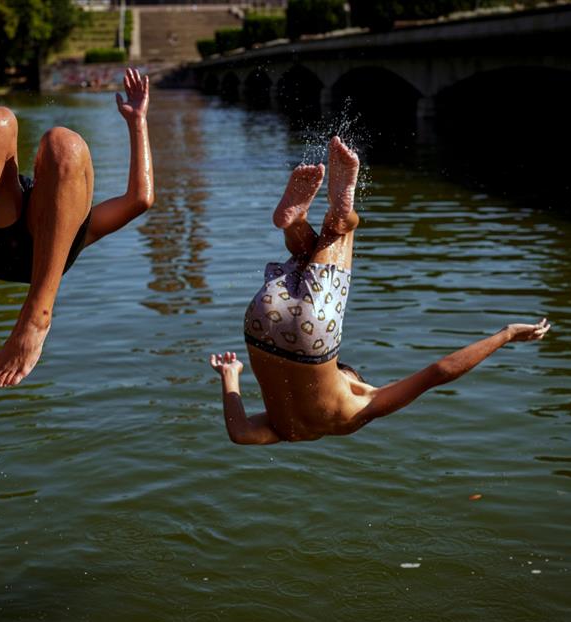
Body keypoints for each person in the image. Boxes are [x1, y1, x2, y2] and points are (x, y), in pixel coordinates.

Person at [209, 136, 551, 444]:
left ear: (354, 380)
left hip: (312, 336)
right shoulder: (288, 430)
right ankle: (296, 224)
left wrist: (505, 335)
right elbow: (240, 433)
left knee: (338, 233)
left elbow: (438, 373)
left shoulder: (358, 405)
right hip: (261, 323)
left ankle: (341, 219)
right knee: (305, 257)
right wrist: (230, 377)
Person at [0, 68, 154, 387]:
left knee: (64, 143)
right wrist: (137, 122)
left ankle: (37, 316)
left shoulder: (70, 222)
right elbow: (140, 199)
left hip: (42, 257)